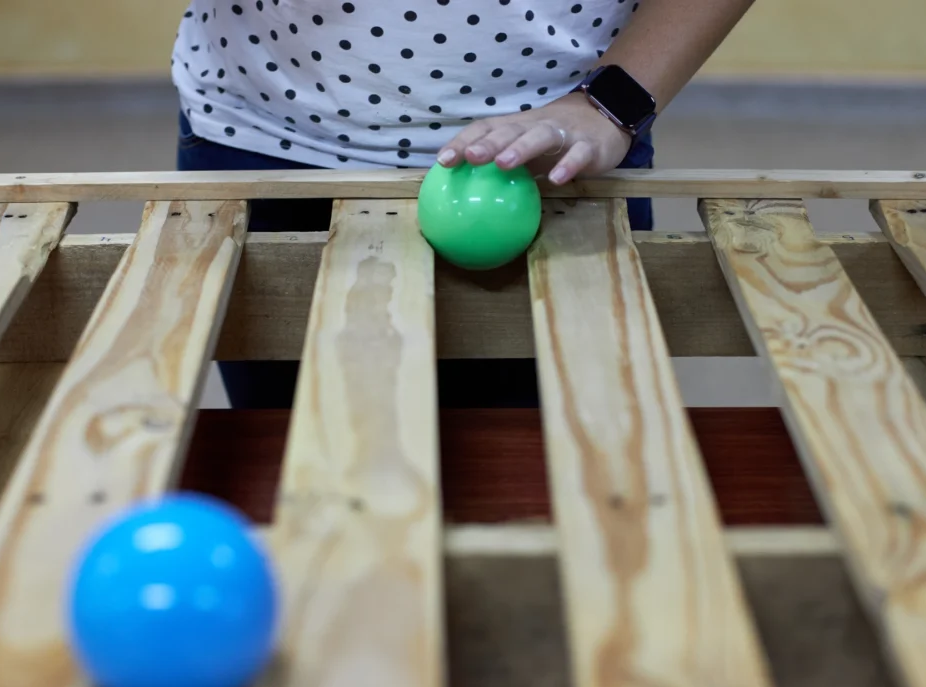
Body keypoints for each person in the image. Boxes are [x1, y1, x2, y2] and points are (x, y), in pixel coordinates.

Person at [171, 0, 755, 408]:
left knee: (555, 482)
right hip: (269, 138)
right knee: (289, 471)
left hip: (562, 153)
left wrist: (610, 104)